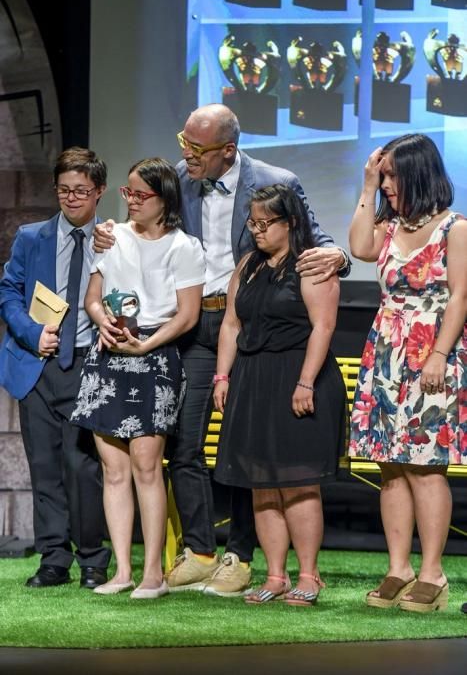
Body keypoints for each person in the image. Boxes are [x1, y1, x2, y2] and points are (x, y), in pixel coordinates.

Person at [94, 103, 351, 596]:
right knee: (186, 443)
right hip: (193, 324)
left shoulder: (275, 180)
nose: (184, 154)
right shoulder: (176, 178)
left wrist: (338, 255)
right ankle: (200, 549)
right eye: (182, 141)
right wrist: (106, 231)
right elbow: (138, 219)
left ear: (227, 149)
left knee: (248, 446)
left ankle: (241, 553)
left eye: (196, 147)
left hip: (252, 323)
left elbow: (315, 241)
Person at [71, 158, 205, 598]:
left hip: (154, 355)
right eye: (126, 193)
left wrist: (147, 345)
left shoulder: (184, 246)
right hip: (109, 351)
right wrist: (101, 321)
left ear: (163, 199)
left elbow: (187, 315)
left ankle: (153, 574)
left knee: (147, 467)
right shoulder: (110, 237)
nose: (130, 201)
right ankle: (122, 570)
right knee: (114, 470)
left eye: (139, 195)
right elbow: (92, 298)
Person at [348, 133, 467, 613]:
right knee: (390, 466)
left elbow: (460, 295)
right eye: (384, 174)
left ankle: (433, 573)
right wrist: (367, 184)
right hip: (385, 353)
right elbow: (358, 247)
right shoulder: (388, 225)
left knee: (424, 465)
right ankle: (399, 567)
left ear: (418, 173)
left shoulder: (454, 228)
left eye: (393, 175)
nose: (388, 183)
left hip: (430, 352)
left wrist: (439, 352)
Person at [213, 185, 347, 606]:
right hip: (252, 379)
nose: (256, 230)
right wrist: (222, 376)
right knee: (261, 485)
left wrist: (305, 383)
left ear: (289, 222)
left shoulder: (311, 265)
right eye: (252, 222)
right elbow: (232, 324)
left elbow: (322, 328)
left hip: (297, 377)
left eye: (264, 223)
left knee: (300, 484)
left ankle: (309, 574)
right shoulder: (249, 265)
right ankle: (275, 576)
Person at [0, 147, 111, 588]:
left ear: (99, 191)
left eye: (81, 191)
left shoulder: (114, 240)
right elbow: (8, 291)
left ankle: (93, 559)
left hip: (89, 363)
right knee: (43, 465)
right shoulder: (32, 237)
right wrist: (31, 332)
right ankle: (53, 559)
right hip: (38, 364)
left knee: (82, 466)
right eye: (64, 190)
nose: (71, 199)